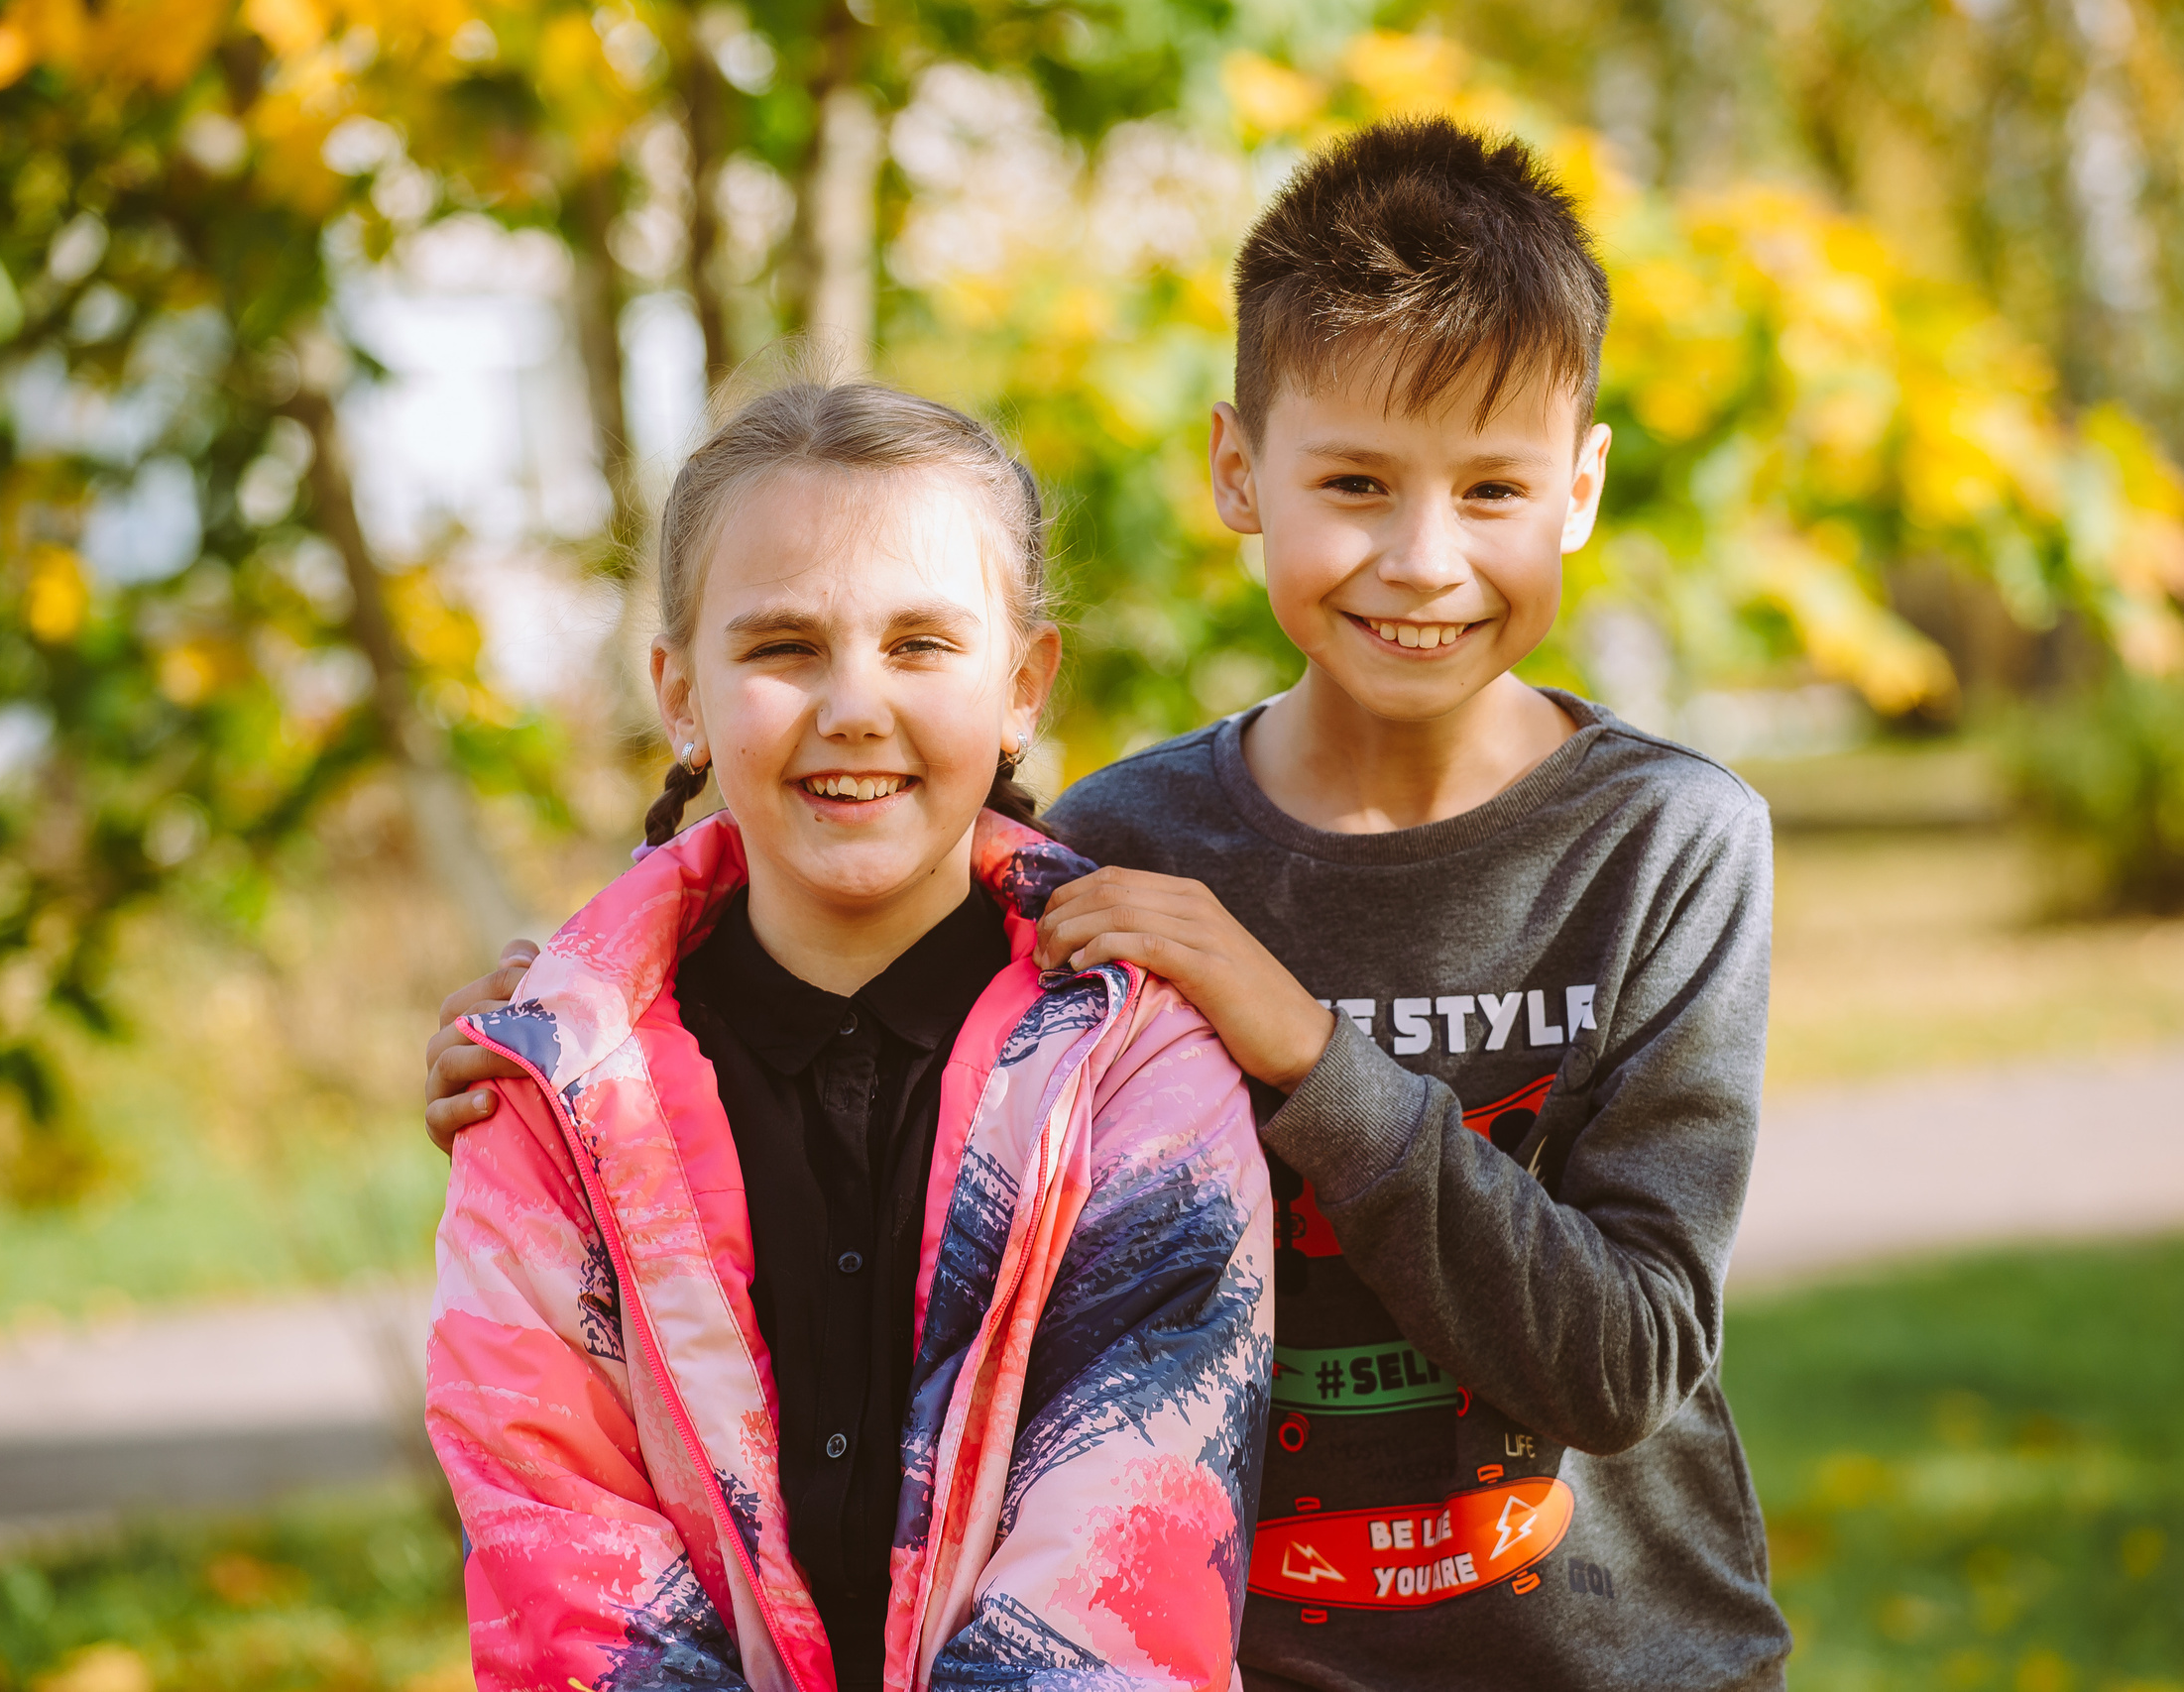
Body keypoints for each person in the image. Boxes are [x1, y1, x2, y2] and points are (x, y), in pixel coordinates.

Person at [432, 118, 1788, 1690]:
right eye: (1355, 481)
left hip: (1625, 1666)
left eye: (1494, 488)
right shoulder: (1125, 846)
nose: (1426, 559)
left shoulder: (1669, 842)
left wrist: (1303, 1052)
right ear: (1238, 471)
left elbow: (1624, 1359)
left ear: (1583, 487)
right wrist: (567, 1053)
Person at [423, 373, 1272, 1692]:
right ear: (680, 692)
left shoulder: (1138, 1068)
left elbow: (1128, 1551)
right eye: (782, 647)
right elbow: (559, 1552)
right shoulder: (554, 1095)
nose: (854, 706)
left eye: (922, 644)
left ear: (1024, 685)